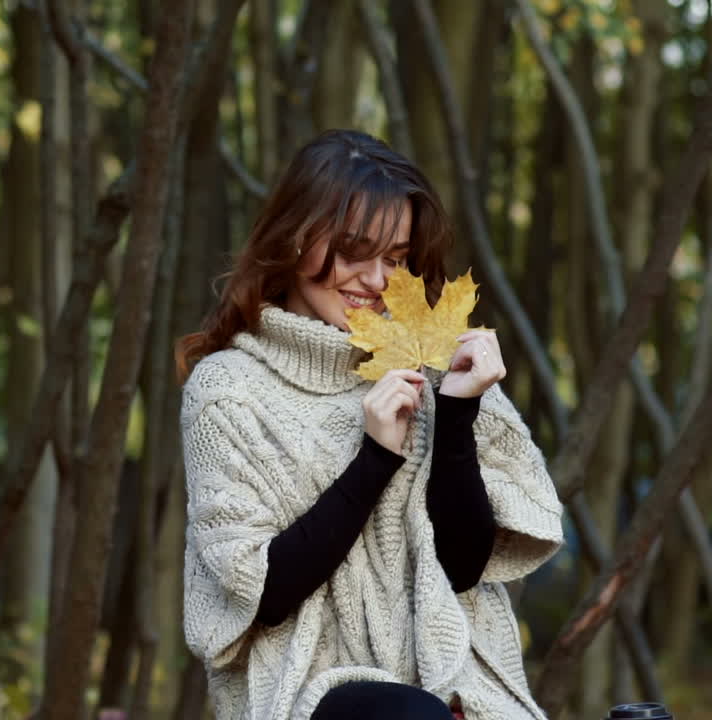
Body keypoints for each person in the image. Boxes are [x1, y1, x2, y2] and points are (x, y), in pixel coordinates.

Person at [175, 130, 564, 720]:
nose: (377, 280)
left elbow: (461, 569)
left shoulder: (435, 364)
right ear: (295, 237)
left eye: (396, 258)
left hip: (448, 683)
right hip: (309, 692)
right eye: (354, 251)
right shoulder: (228, 391)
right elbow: (263, 595)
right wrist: (376, 458)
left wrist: (456, 416)